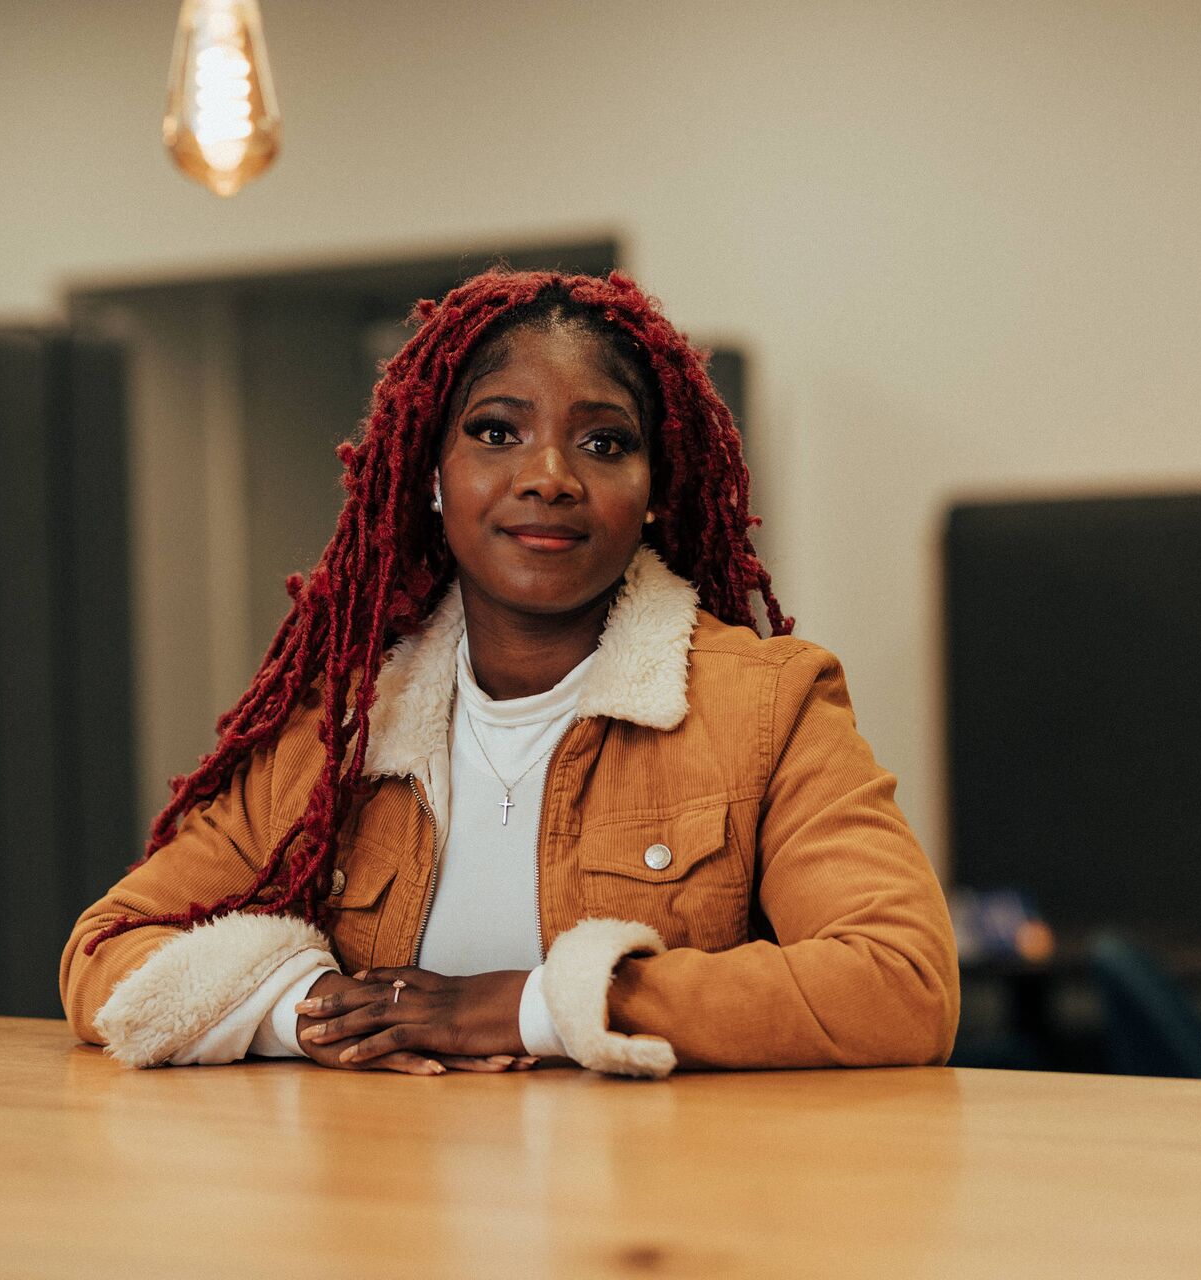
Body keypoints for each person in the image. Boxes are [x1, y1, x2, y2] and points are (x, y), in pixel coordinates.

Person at [60, 269, 958, 1078]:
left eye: (604, 444)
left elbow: (901, 980)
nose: (550, 476)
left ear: (653, 492)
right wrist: (310, 1016)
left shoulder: (769, 705)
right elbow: (107, 949)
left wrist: (525, 1009)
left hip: (662, 1228)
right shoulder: (337, 730)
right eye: (496, 432)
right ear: (433, 476)